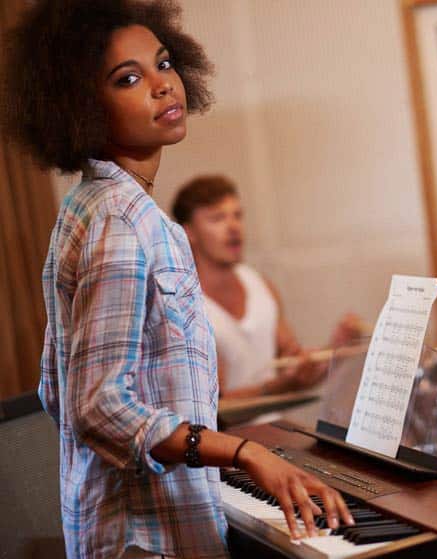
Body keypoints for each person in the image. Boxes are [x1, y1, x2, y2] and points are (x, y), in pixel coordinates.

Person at [0, 1, 352, 557]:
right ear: (80, 105)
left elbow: (55, 387)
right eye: (129, 78)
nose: (164, 86)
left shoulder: (93, 208)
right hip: (145, 539)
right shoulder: (119, 222)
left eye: (164, 64)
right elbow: (97, 406)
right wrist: (245, 454)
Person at [172, 175, 364, 399]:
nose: (233, 226)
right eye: (217, 218)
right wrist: (281, 385)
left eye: (237, 215)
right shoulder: (183, 303)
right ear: (189, 232)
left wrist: (337, 349)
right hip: (224, 434)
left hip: (272, 431)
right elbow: (211, 406)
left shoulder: (261, 286)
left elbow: (296, 375)